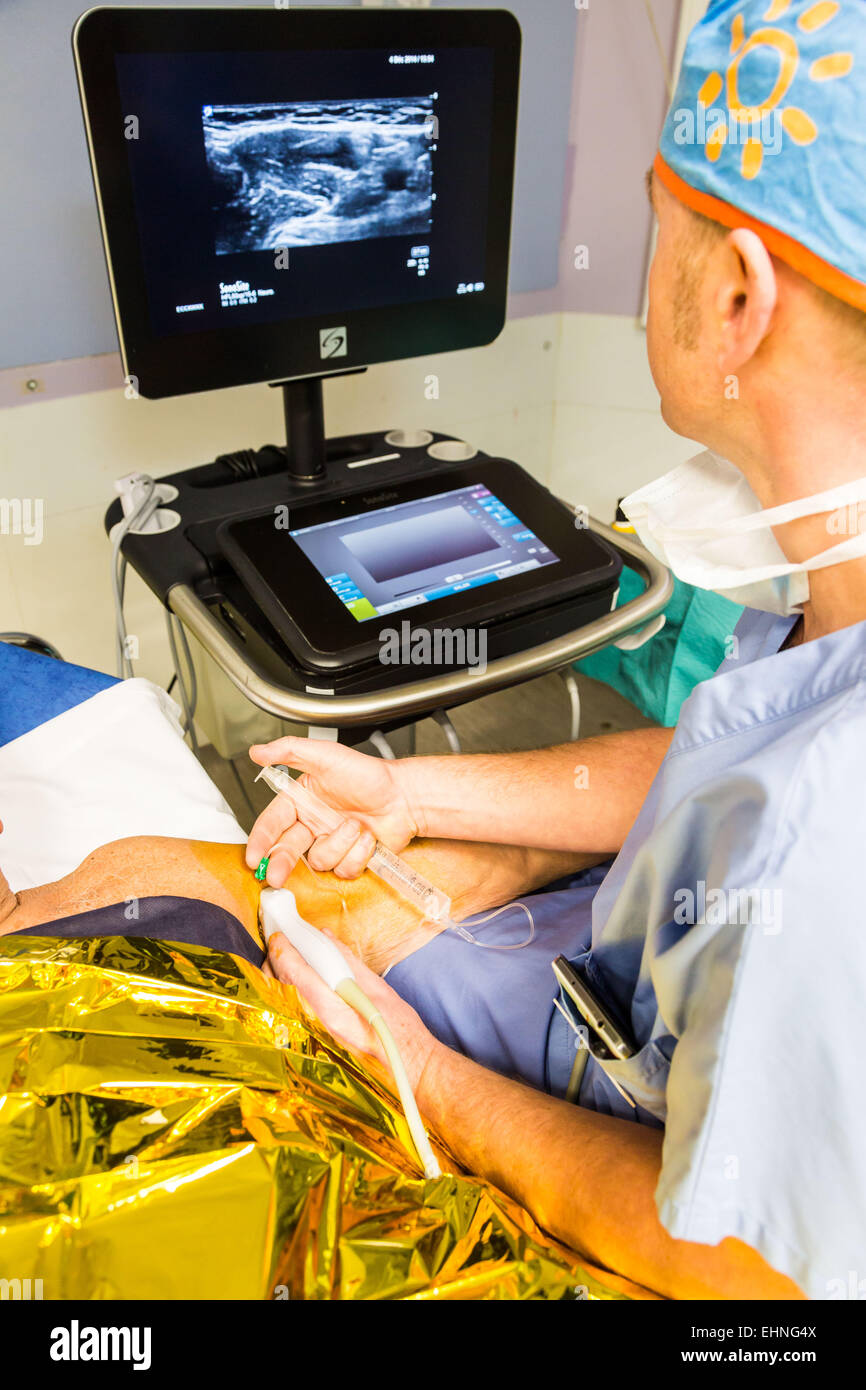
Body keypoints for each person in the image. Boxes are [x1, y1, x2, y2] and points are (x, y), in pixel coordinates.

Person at [245, 0, 866, 1300]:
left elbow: (736, 1268)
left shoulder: (831, 827)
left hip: (647, 1150)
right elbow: (735, 758)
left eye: (658, 223)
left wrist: (414, 1071)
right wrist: (421, 791)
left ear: (737, 294)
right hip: (636, 972)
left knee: (224, 913)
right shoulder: (830, 614)